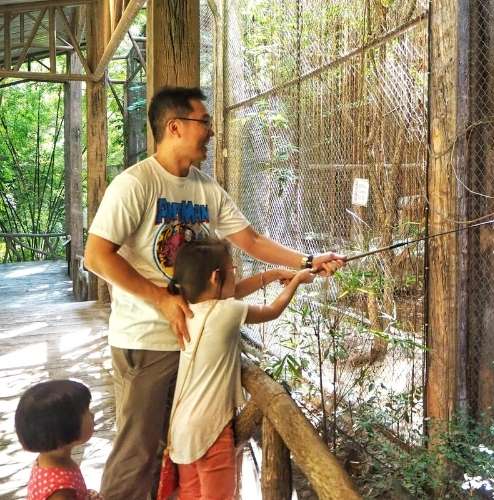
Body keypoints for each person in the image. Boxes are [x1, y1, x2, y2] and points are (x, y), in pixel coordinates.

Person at [83, 86, 344, 499]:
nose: (210, 131)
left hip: (193, 345)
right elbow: (96, 256)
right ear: (174, 127)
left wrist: (307, 262)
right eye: (203, 122)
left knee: (179, 452)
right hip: (147, 340)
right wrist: (162, 299)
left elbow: (252, 240)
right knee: (139, 453)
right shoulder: (135, 185)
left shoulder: (206, 189)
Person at [166, 239, 313, 499]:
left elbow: (232, 293)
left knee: (191, 495)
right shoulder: (226, 311)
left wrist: (275, 274)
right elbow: (272, 310)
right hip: (210, 430)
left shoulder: (187, 311)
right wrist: (296, 282)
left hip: (180, 429)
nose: (237, 275)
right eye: (234, 270)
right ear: (216, 277)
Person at [15, 379, 101, 500]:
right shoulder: (61, 491)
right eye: (86, 411)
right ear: (66, 428)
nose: (92, 415)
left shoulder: (48, 460)